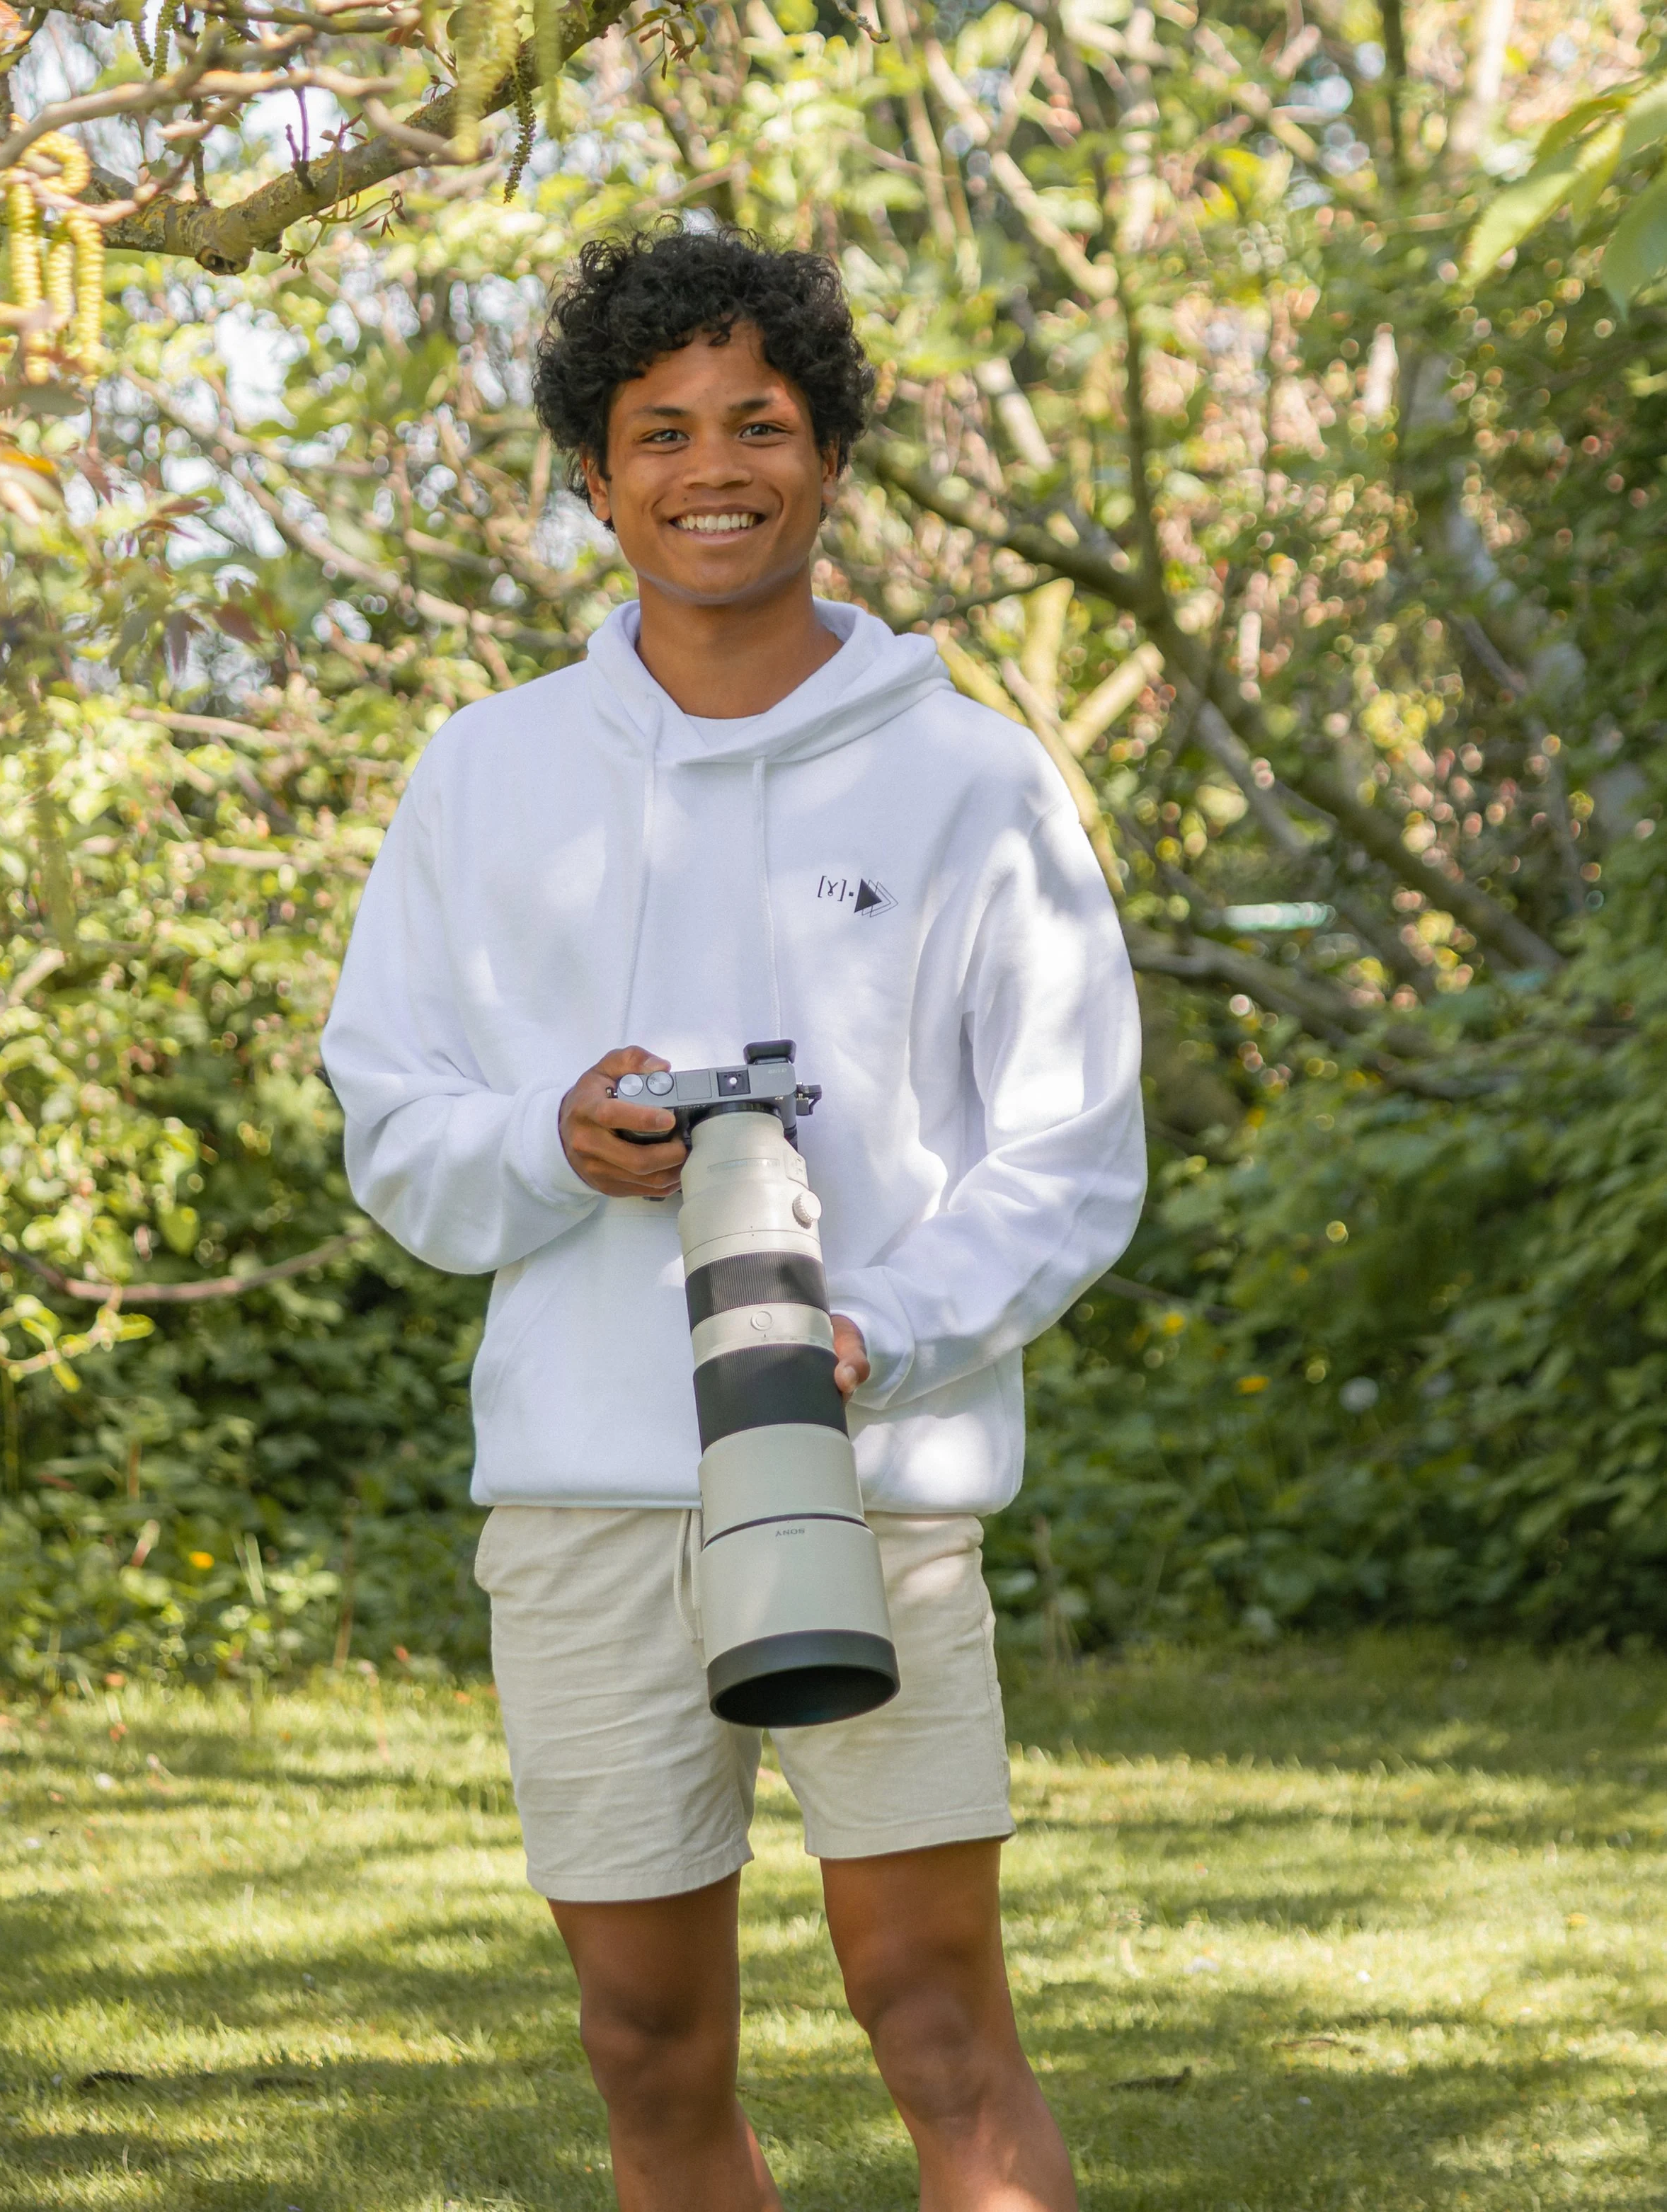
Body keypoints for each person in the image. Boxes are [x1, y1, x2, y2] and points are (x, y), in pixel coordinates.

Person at [322, 224, 1145, 2211]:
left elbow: (1071, 1150)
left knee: (936, 2015)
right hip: (589, 1485)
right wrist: (551, 1135)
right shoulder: (484, 773)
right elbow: (392, 1114)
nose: (714, 465)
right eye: (659, 430)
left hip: (873, 1483)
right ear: (593, 479)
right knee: (643, 2041)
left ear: (830, 455)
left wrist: (883, 1327)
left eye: (760, 422)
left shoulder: (969, 781)